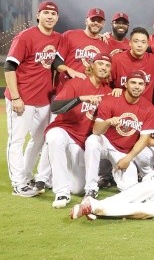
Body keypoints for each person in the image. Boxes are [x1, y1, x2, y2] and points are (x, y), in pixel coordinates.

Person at [5, 1, 64, 196]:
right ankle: (18, 183)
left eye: (53, 14)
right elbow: (9, 67)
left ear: (57, 18)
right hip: (22, 98)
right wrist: (15, 97)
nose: (49, 16)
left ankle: (27, 175)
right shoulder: (25, 37)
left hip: (44, 100)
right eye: (45, 13)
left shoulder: (57, 38)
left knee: (38, 141)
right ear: (38, 15)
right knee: (17, 140)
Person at [46, 53, 113, 208]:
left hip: (81, 142)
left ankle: (62, 177)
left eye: (107, 65)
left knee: (77, 189)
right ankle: (61, 192)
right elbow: (55, 108)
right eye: (100, 63)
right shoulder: (76, 83)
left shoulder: (108, 92)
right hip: (65, 131)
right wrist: (81, 98)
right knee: (54, 138)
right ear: (92, 65)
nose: (103, 67)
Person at [83, 70, 154, 198]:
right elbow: (96, 131)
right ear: (126, 84)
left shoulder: (148, 108)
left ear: (145, 86)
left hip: (124, 152)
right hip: (106, 143)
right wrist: (108, 122)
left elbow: (144, 139)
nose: (137, 86)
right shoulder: (111, 100)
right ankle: (91, 188)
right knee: (93, 140)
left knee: (131, 191)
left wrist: (128, 158)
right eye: (133, 83)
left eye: (140, 83)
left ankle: (115, 175)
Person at [54, 7, 111, 92]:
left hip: (88, 93)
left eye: (99, 21)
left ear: (103, 24)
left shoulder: (105, 45)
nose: (96, 23)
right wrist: (70, 71)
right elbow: (56, 62)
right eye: (93, 19)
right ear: (86, 21)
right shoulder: (70, 35)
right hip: (65, 89)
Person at [110, 27, 154, 103]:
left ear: (148, 44)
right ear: (130, 43)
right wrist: (113, 90)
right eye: (136, 41)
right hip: (121, 108)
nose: (139, 45)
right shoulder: (117, 59)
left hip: (145, 109)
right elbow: (105, 84)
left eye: (143, 42)